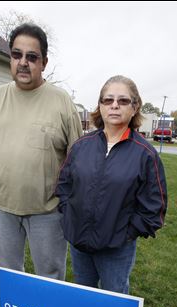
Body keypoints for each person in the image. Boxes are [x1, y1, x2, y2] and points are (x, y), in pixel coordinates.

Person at [0, 23, 83, 280]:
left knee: (51, 275)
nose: (23, 62)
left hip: (47, 211)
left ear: (44, 62)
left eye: (31, 57)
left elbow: (76, 156)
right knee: (11, 275)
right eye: (16, 54)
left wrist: (67, 199)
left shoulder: (62, 101)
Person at [55, 75, 167, 294]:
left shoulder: (146, 155)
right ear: (100, 106)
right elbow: (64, 184)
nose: (114, 105)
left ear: (135, 108)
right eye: (108, 100)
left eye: (123, 101)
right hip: (79, 244)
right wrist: (70, 215)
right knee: (83, 297)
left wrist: (125, 233)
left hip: (116, 249)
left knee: (114, 302)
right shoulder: (81, 146)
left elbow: (155, 208)